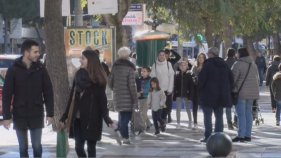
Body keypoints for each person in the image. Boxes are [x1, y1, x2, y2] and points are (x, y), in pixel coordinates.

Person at [2, 39, 54, 157]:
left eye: (38, 52)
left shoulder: (41, 69)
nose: (38, 54)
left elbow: (48, 92)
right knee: (23, 147)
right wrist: (6, 117)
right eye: (35, 52)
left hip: (36, 112)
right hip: (19, 113)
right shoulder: (13, 70)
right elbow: (7, 94)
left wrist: (50, 113)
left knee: (36, 146)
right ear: (26, 53)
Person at [60, 50, 115, 157]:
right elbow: (72, 97)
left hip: (92, 119)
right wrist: (64, 116)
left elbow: (102, 102)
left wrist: (107, 119)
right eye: (81, 58)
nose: (80, 60)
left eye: (83, 58)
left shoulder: (99, 80)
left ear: (91, 61)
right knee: (78, 147)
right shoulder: (78, 75)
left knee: (91, 148)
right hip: (78, 118)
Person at [198, 47, 233, 142]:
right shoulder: (224, 64)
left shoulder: (207, 64)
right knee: (219, 116)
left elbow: (201, 80)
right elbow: (231, 79)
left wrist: (199, 89)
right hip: (221, 96)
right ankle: (219, 135)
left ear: (210, 54)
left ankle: (208, 136)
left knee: (207, 116)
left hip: (208, 95)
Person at [108, 47, 138, 144]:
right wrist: (135, 98)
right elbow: (132, 85)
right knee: (126, 117)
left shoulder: (115, 66)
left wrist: (116, 89)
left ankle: (122, 133)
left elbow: (110, 82)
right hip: (128, 97)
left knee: (121, 114)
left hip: (117, 96)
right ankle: (124, 136)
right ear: (128, 56)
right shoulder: (130, 68)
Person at [231, 48, 259, 142]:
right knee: (248, 113)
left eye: (237, 53)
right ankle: (248, 135)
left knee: (240, 114)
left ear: (240, 54)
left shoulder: (238, 64)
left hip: (241, 92)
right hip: (251, 93)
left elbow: (233, 79)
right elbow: (257, 78)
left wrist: (231, 89)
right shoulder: (253, 64)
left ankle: (241, 135)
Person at [151, 50, 175, 123]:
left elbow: (171, 77)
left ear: (165, 56)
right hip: (158, 90)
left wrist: (170, 89)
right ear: (158, 56)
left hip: (167, 90)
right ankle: (160, 121)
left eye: (163, 55)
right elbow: (153, 77)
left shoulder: (168, 64)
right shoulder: (154, 65)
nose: (162, 56)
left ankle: (163, 119)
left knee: (167, 107)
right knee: (158, 107)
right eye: (160, 55)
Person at [173, 60, 194, 128]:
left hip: (187, 95)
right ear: (179, 66)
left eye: (184, 65)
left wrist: (190, 96)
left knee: (188, 109)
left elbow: (191, 87)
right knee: (178, 109)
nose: (183, 66)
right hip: (178, 94)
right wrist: (174, 94)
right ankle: (178, 123)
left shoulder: (189, 75)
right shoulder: (177, 75)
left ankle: (190, 122)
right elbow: (175, 86)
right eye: (181, 65)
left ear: (187, 67)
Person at [191, 52, 207, 129]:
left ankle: (206, 121)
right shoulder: (194, 67)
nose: (200, 59)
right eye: (199, 57)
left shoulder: (207, 66)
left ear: (204, 58)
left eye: (202, 57)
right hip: (195, 88)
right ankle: (195, 122)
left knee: (204, 106)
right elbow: (192, 76)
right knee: (195, 106)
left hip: (204, 89)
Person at [224, 48, 237, 130]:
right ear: (234, 54)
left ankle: (229, 124)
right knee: (237, 105)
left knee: (228, 107)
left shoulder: (224, 63)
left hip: (226, 87)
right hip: (236, 87)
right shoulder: (237, 63)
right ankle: (236, 121)